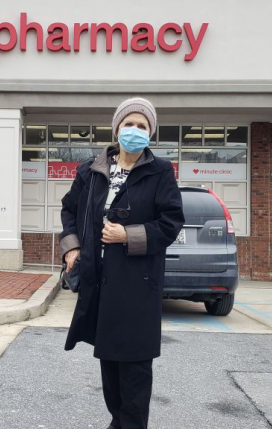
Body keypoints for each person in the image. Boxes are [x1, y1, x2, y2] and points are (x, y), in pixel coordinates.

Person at [60, 97, 184, 429]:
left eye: (142, 126)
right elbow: (70, 210)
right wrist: (71, 249)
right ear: (116, 129)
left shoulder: (160, 172)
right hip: (99, 284)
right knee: (110, 367)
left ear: (151, 134)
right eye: (128, 124)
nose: (134, 130)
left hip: (137, 287)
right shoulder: (90, 170)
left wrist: (127, 235)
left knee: (135, 374)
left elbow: (171, 223)